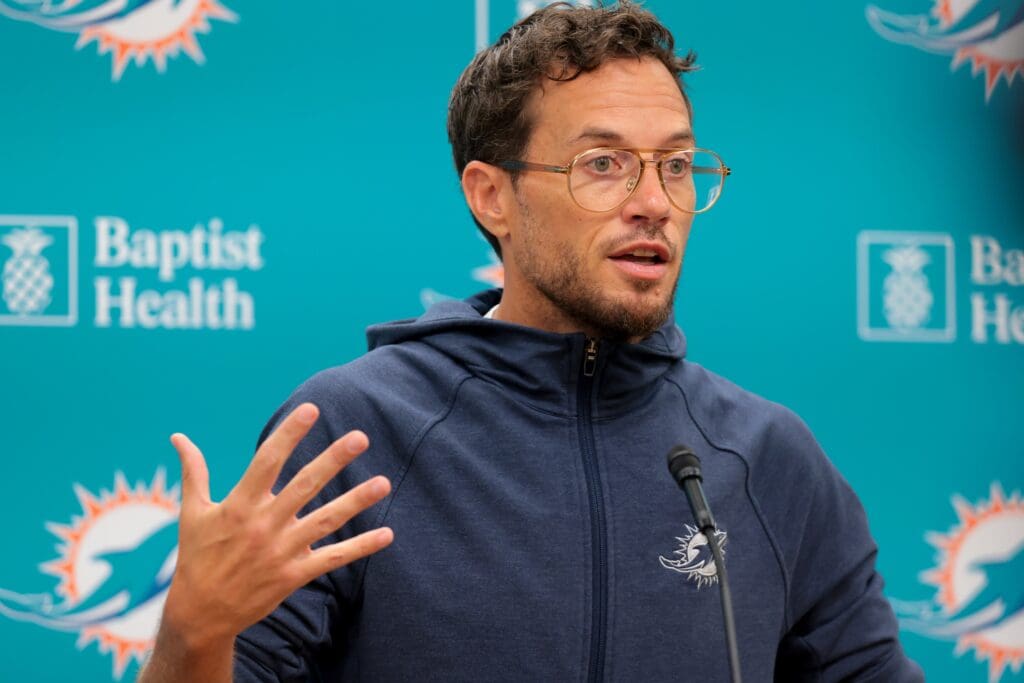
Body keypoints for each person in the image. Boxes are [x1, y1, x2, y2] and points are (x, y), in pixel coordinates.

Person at [140, 2, 925, 681]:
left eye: (677, 165)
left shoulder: (768, 459)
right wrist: (192, 632)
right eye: (604, 164)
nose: (653, 201)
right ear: (493, 196)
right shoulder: (354, 431)